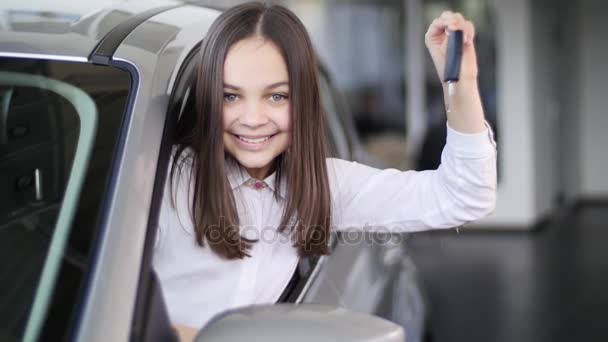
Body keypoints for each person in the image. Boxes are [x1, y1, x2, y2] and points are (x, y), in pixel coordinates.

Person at [153, 1, 497, 339]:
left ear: (302, 100)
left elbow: (463, 195)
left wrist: (461, 84)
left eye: (276, 97)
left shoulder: (326, 185)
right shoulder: (164, 181)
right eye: (231, 97)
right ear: (209, 99)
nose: (253, 119)